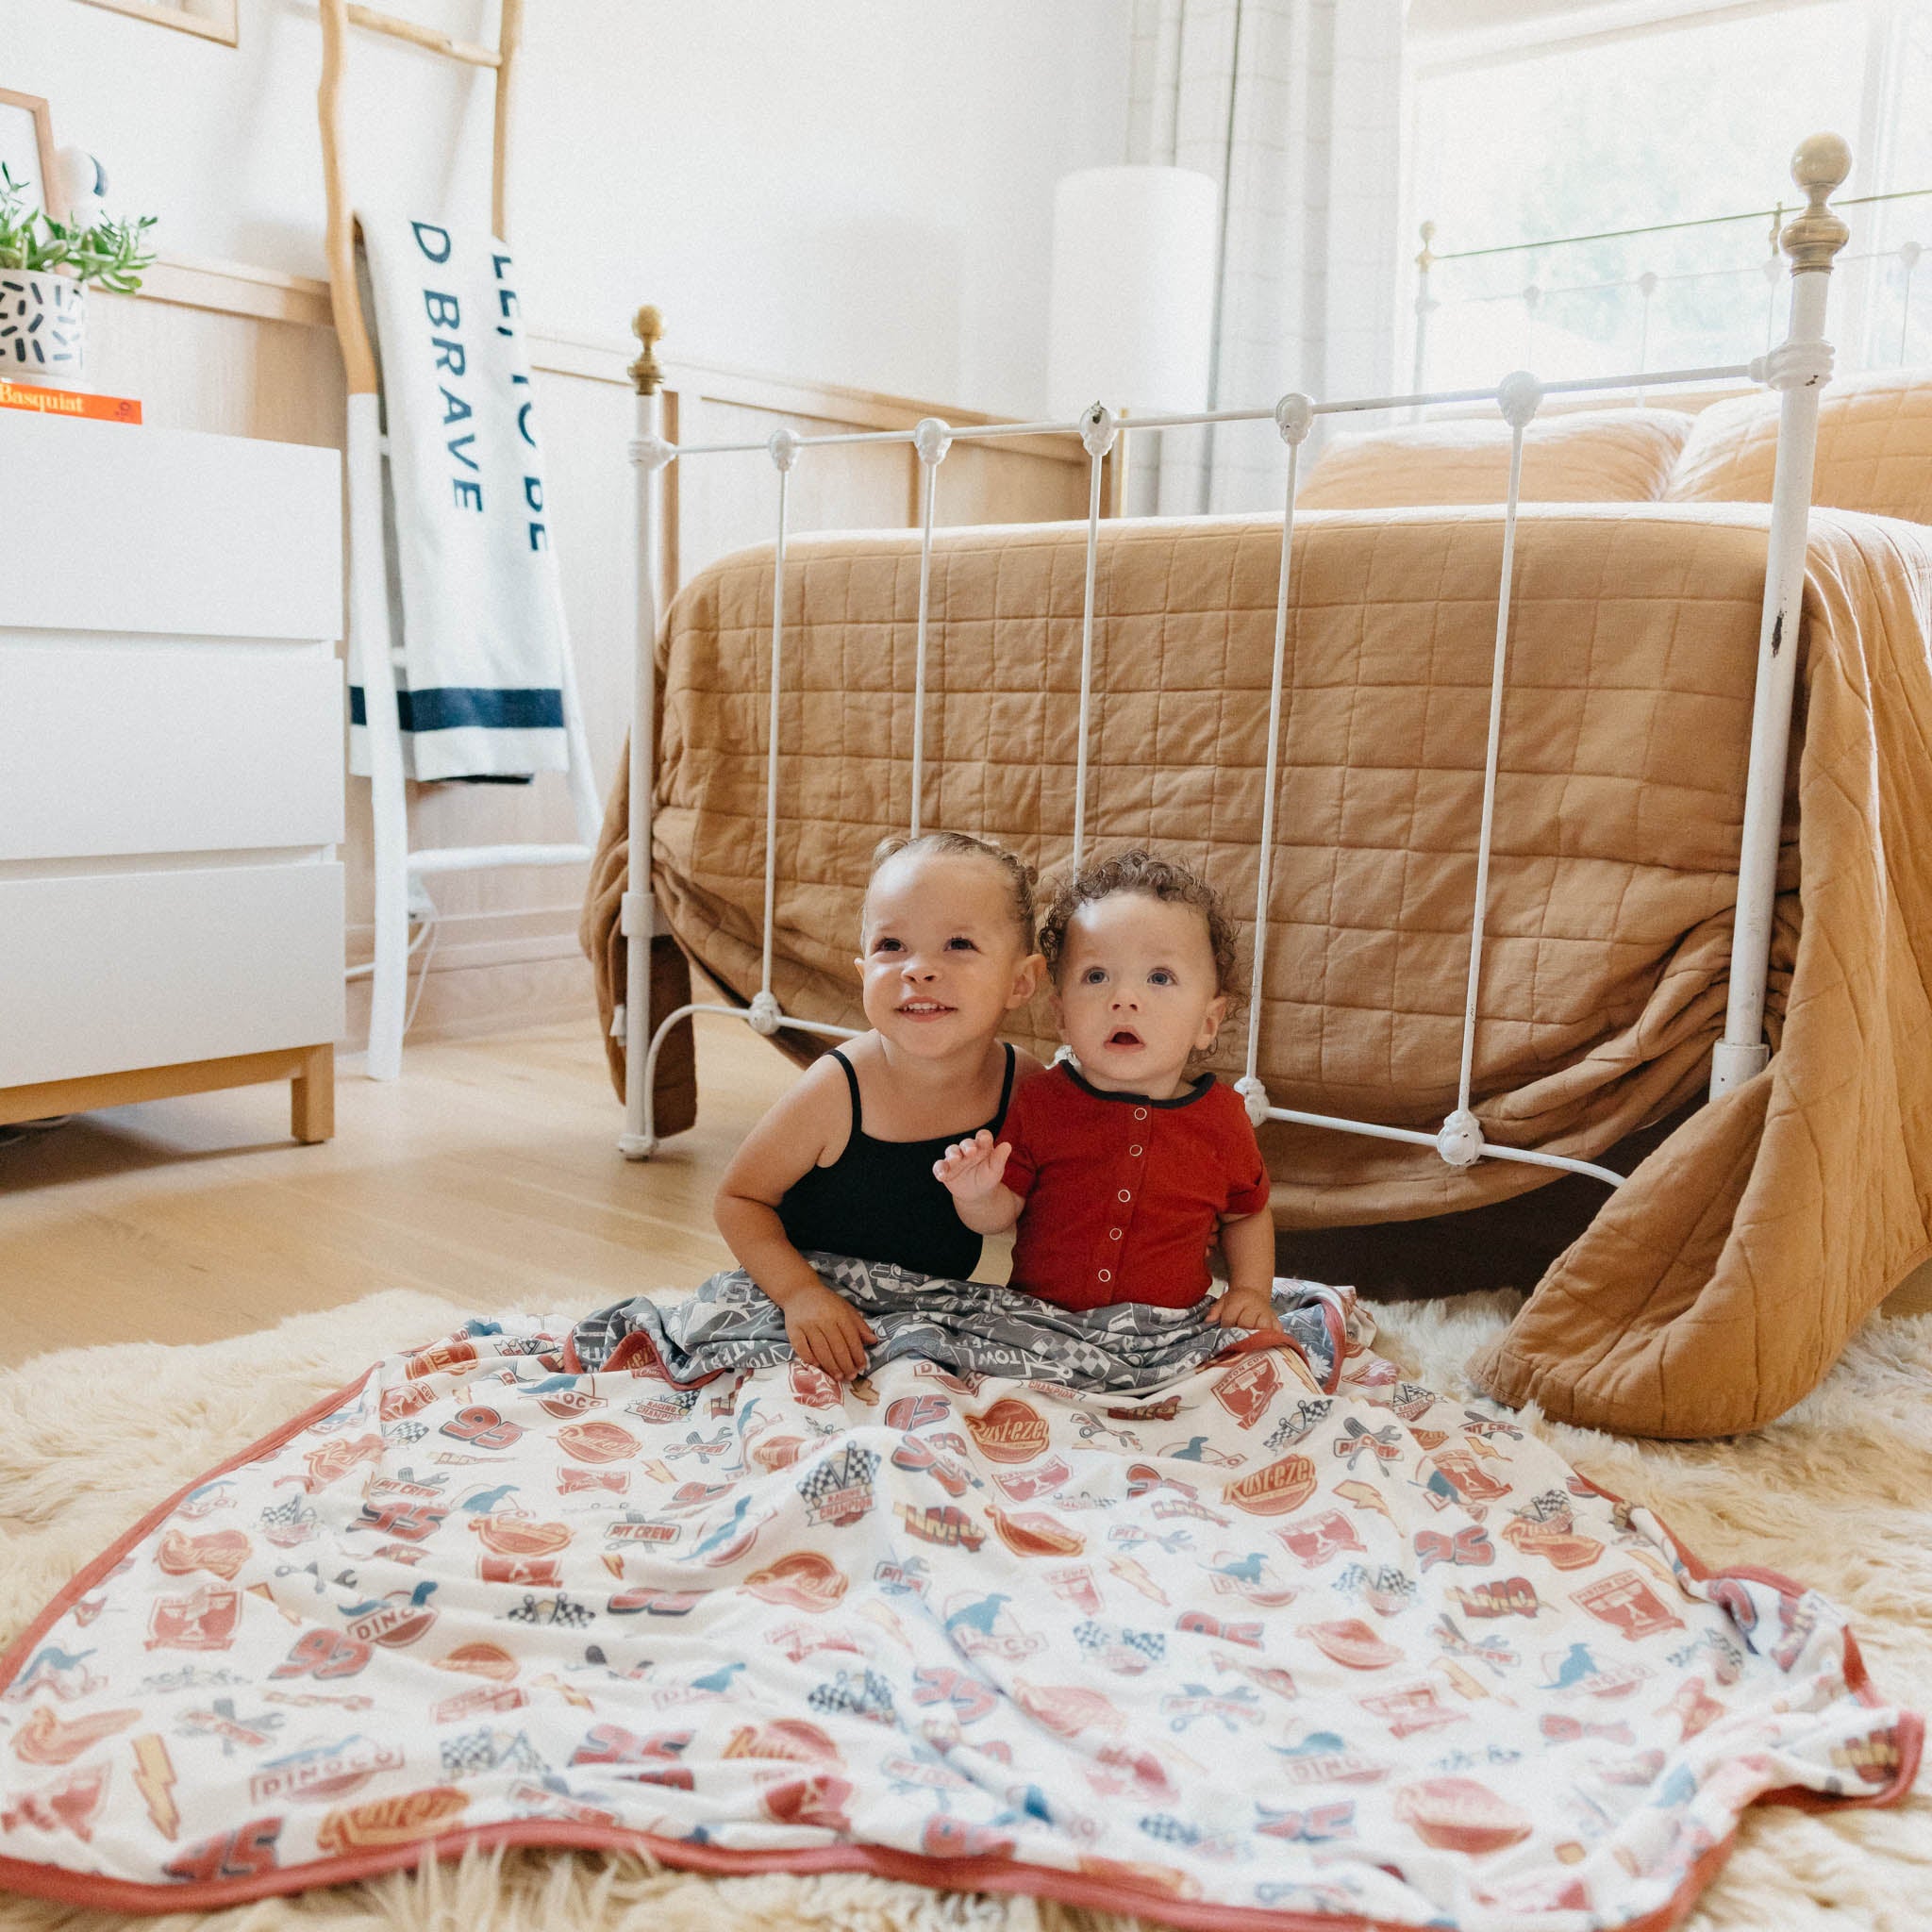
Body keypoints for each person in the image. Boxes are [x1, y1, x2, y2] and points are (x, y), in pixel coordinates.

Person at [713, 831, 1046, 1379]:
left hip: (929, 1307)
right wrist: (800, 1295)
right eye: (892, 945)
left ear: (1021, 981)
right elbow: (738, 1199)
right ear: (864, 972)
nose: (918, 969)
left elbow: (1037, 1211)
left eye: (958, 944)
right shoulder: (837, 1087)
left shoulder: (1022, 1083)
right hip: (807, 1298)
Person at [934, 849, 1280, 1331]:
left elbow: (1247, 1215)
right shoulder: (1041, 1102)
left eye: (1159, 977)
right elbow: (1000, 1214)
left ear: (1208, 1022)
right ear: (1061, 1016)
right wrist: (974, 1194)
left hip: (1168, 1328)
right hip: (1044, 1326)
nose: (1123, 999)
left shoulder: (1222, 1119)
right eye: (1096, 976)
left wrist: (1250, 1291)